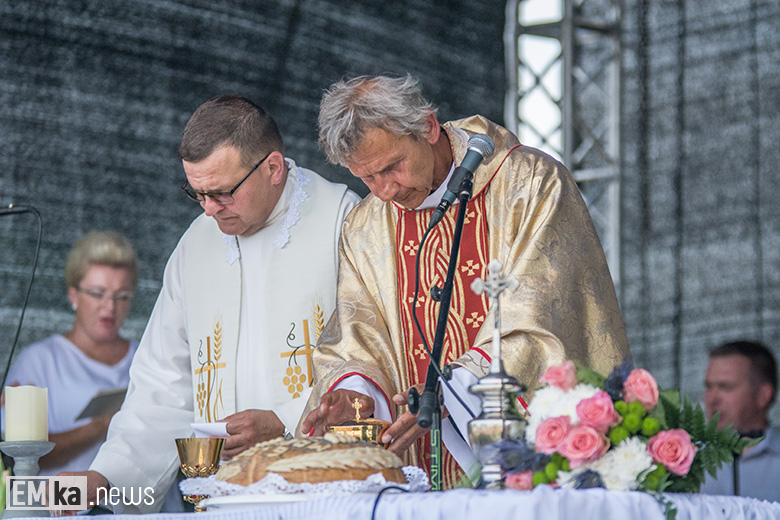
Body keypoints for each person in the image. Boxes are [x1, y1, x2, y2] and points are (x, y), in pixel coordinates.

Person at [299, 74, 631, 488]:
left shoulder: (529, 185)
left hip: (526, 474)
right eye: (367, 178)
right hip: (417, 479)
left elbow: (539, 317)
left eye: (390, 168)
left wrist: (450, 394)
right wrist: (356, 393)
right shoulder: (366, 226)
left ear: (428, 127)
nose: (384, 192)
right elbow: (358, 331)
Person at [70, 96, 361, 513]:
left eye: (222, 193)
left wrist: (285, 420)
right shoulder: (196, 244)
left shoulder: (341, 219)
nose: (209, 210)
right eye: (198, 193)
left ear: (273, 169)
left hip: (322, 491)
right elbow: (163, 381)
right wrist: (107, 477)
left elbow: (371, 355)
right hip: (223, 496)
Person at [2, 231, 138, 475]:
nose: (110, 306)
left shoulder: (147, 356)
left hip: (142, 505)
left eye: (122, 296)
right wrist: (100, 426)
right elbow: (17, 455)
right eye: (98, 293)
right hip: (67, 505)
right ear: (73, 295)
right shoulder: (40, 361)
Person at [701, 340, 780, 502]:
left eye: (726, 387)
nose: (712, 399)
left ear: (763, 395)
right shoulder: (687, 461)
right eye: (709, 387)